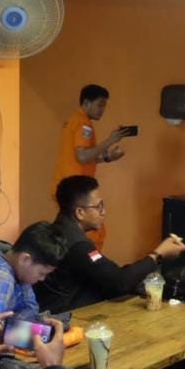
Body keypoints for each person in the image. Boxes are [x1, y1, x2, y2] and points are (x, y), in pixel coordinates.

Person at [36, 175, 185, 313]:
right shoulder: (78, 246)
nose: (103, 212)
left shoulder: (58, 230)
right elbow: (118, 282)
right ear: (80, 212)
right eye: (99, 206)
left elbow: (109, 275)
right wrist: (158, 254)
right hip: (66, 319)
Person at [54, 84, 130, 250]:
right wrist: (111, 140)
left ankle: (83, 261)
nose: (102, 110)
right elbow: (82, 156)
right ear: (86, 103)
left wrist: (108, 157)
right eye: (100, 105)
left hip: (69, 186)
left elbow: (86, 158)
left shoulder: (74, 120)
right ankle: (92, 262)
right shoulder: (83, 124)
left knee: (74, 232)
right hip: (76, 189)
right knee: (94, 231)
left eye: (104, 106)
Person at [0, 221, 68, 326]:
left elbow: (29, 309)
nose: (42, 279)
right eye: (41, 273)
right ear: (24, 259)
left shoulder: (19, 269)